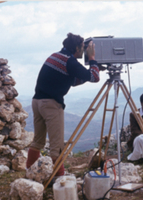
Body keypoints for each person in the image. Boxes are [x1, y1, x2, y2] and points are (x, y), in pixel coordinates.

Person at [26, 33, 105, 176]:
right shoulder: (70, 61)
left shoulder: (56, 56)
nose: (84, 50)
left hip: (37, 102)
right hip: (51, 104)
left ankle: (30, 173)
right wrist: (93, 60)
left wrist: (90, 71)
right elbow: (95, 77)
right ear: (76, 48)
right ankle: (59, 180)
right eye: (83, 47)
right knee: (57, 148)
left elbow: (72, 81)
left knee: (37, 141)